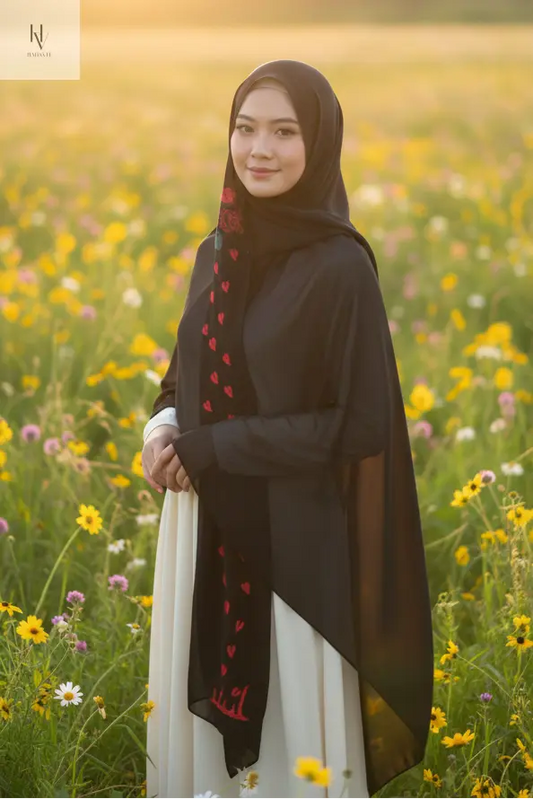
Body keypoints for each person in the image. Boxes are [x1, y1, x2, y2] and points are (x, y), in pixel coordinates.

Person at [141, 59, 434, 799]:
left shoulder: (341, 267)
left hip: (291, 555)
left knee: (287, 756)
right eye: (244, 128)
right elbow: (188, 370)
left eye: (283, 131)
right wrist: (164, 424)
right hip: (203, 529)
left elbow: (356, 423)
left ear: (320, 144)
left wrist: (217, 447)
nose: (258, 149)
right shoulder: (217, 249)